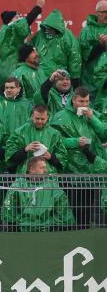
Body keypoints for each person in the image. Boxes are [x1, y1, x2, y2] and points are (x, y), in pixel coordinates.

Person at [51, 87, 107, 226]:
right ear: (73, 100)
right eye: (81, 101)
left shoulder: (92, 115)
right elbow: (53, 140)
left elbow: (104, 133)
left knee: (86, 211)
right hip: (70, 172)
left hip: (90, 171)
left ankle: (84, 237)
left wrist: (92, 118)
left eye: (87, 101)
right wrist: (74, 141)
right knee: (71, 210)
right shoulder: (61, 116)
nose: (84, 104)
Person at [1, 157, 75, 231]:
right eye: (41, 168)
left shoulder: (52, 185)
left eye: (45, 167)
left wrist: (49, 223)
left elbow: (63, 210)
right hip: (22, 230)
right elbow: (9, 209)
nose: (46, 170)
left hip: (47, 230)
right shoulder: (18, 184)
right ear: (32, 169)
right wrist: (19, 221)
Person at [0, 0, 45, 93]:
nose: (19, 19)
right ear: (10, 20)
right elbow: (22, 24)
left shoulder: (5, 34)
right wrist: (38, 7)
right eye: (16, 17)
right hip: (10, 71)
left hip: (4, 71)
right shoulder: (9, 29)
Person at [4, 105, 66, 173]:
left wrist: (51, 157)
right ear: (32, 116)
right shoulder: (20, 132)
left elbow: (62, 157)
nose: (39, 121)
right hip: (25, 175)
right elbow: (10, 156)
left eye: (42, 119)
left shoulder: (55, 134)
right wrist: (25, 150)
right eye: (37, 118)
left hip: (48, 176)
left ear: (47, 117)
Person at [31, 9, 82, 82]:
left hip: (59, 79)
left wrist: (74, 78)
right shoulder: (40, 35)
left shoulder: (68, 38)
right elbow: (29, 52)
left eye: (50, 29)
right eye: (47, 28)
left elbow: (75, 59)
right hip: (39, 78)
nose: (47, 31)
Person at [80, 1, 107, 90]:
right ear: (97, 13)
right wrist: (100, 46)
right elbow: (84, 56)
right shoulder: (87, 31)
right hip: (91, 81)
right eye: (104, 12)